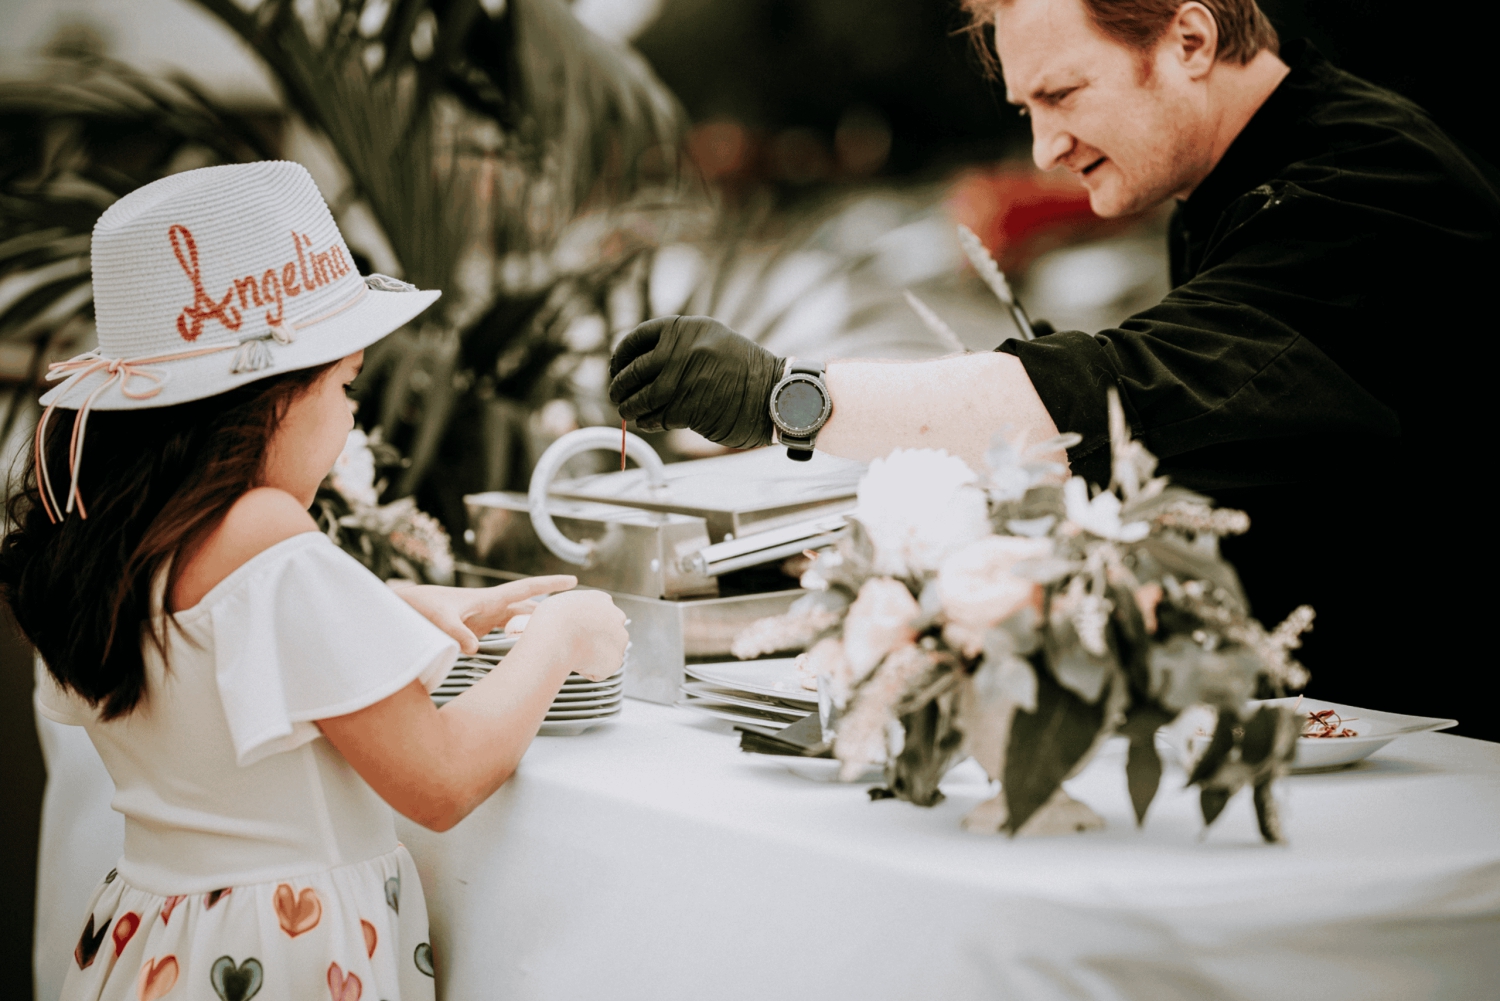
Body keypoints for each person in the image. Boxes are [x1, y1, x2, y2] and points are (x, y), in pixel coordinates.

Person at [608, 0, 1498, 738]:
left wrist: (782, 395)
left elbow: (1131, 393)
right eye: (1025, 111)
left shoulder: (1372, 183)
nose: (1044, 150)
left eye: (1063, 95)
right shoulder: (1223, 183)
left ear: (1190, 41)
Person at [0, 161, 629, 1000]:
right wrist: (561, 635)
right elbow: (438, 781)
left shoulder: (108, 540)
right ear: (267, 399)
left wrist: (396, 606)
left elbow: (208, 653)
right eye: (345, 386)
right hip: (281, 954)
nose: (351, 416)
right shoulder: (264, 531)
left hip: (150, 945)